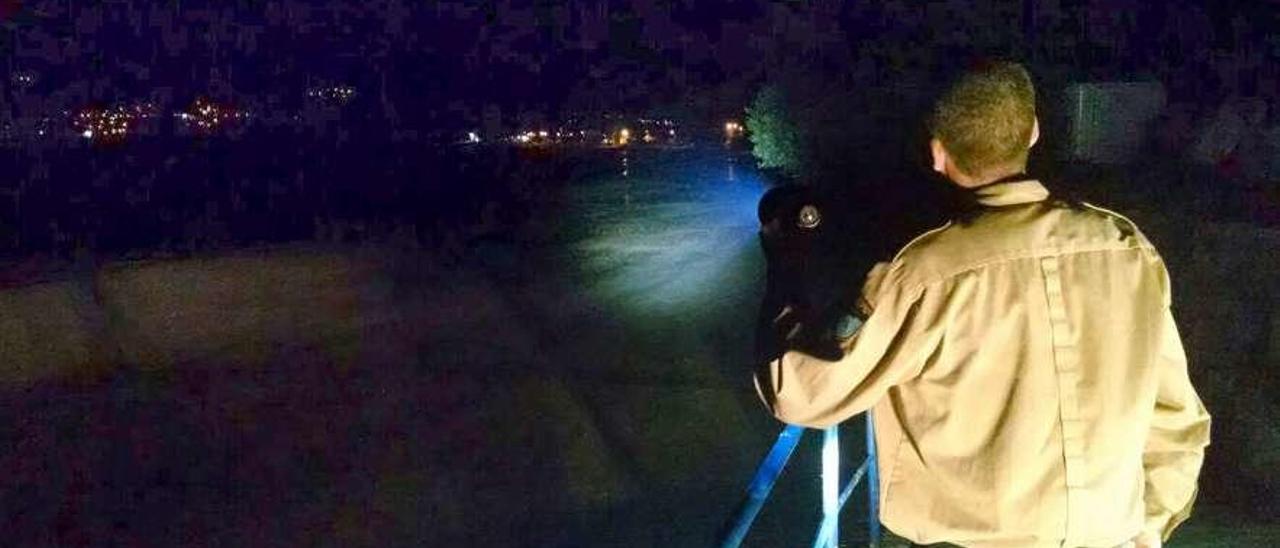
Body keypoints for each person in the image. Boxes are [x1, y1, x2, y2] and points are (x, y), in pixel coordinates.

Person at [754, 61, 1210, 548]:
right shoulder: (1127, 249)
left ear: (937, 153)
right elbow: (1177, 421)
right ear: (1032, 132)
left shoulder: (924, 273)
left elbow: (800, 393)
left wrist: (787, 263)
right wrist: (1146, 530)